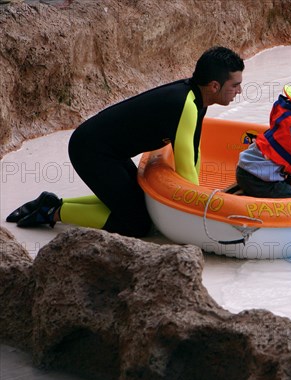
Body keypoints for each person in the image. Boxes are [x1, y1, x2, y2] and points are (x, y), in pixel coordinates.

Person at [6, 46, 244, 237]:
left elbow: (193, 151)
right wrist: (200, 212)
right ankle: (54, 212)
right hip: (91, 150)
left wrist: (200, 194)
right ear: (214, 86)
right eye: (235, 85)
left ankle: (53, 202)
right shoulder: (185, 104)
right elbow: (184, 166)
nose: (240, 91)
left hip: (109, 151)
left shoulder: (196, 99)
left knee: (139, 204)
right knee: (136, 225)